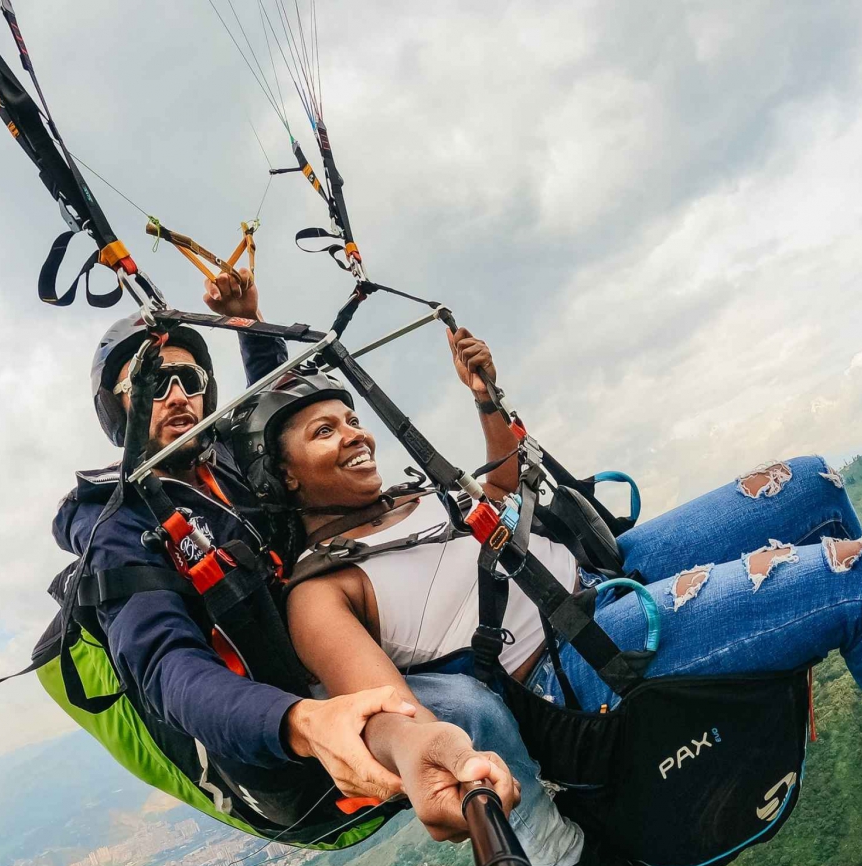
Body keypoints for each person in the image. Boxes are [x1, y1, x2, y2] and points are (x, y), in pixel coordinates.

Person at [255, 325, 862, 866]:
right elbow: (385, 709)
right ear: (287, 476)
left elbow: (504, 497)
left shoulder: (407, 499)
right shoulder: (321, 589)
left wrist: (488, 402)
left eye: (350, 417)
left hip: (597, 574)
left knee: (814, 481)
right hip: (580, 659)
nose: (355, 432)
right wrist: (430, 753)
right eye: (324, 430)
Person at [51, 269, 518, 837]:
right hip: (276, 725)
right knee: (464, 711)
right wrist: (303, 719)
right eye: (152, 381)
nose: (177, 395)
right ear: (118, 407)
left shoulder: (226, 464)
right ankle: (561, 856)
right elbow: (166, 669)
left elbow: (280, 416)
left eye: (190, 379)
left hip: (340, 650)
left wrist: (246, 320)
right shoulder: (116, 523)